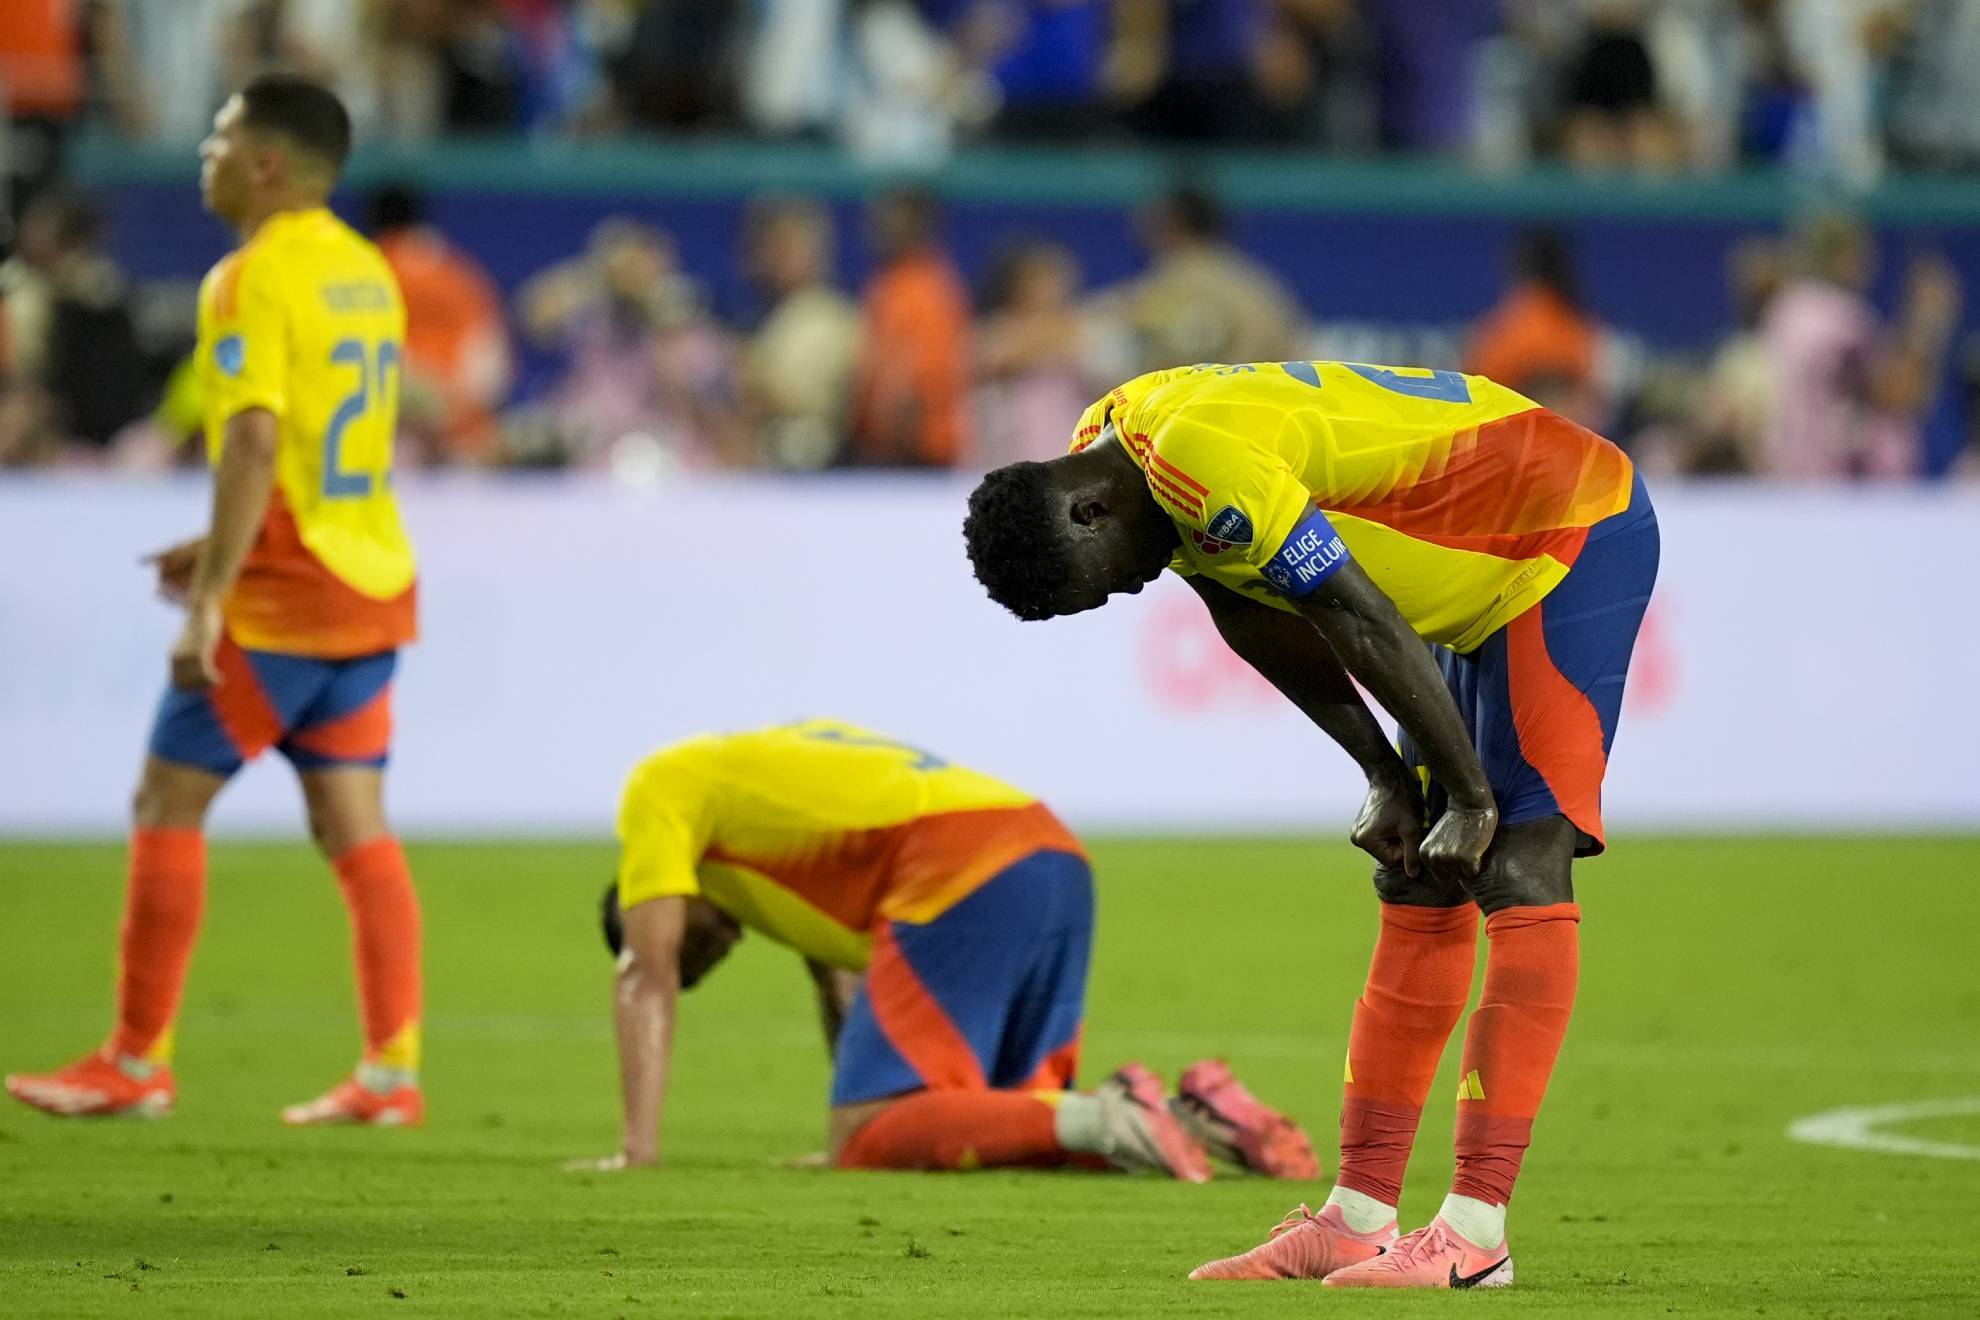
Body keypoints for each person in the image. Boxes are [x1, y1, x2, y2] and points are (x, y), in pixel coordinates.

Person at [962, 360, 1659, 1288]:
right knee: (1416, 870)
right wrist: (1384, 774)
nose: (1127, 596)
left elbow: (1350, 611)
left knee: (1519, 862)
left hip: (1563, 533)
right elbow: (1250, 615)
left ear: (1086, 511)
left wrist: (1471, 796)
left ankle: (1477, 1234)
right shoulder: (1122, 451)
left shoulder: (1197, 459)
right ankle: (1360, 1218)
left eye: (1103, 587)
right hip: (1455, 594)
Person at [5, 76, 425, 1127]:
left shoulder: (248, 279)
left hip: (287, 594)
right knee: (352, 820)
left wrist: (211, 602)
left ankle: (138, 1060)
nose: (205, 150)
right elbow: (334, 448)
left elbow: (252, 439)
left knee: (165, 803)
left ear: (267, 163)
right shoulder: (367, 273)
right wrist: (217, 543)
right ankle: (391, 1071)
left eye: (221, 135)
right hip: (373, 576)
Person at [575, 718, 1320, 1182]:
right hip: (1050, 853)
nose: (726, 941)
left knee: (871, 1136)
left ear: (646, 896)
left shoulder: (659, 792)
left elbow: (645, 973)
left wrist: (637, 1151)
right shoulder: (762, 832)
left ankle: (1109, 1114)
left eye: (698, 947)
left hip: (956, 866)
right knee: (1000, 1130)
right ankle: (1199, 1117)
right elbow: (838, 980)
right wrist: (854, 1099)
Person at [846, 188, 971, 467]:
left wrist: (894, 457)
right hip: (891, 453)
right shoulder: (889, 285)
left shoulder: (925, 292)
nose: (875, 227)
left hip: (915, 458)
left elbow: (916, 386)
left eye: (887, 219)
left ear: (916, 225)